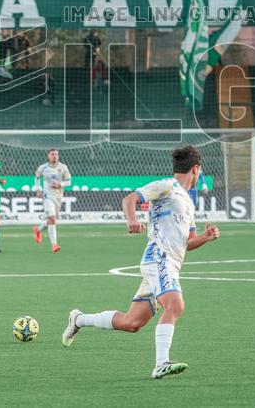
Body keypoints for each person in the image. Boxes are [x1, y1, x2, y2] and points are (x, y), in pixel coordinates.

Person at [61, 145, 221, 379]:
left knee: (132, 322)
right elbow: (130, 199)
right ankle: (161, 363)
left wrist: (205, 238)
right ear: (196, 169)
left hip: (169, 264)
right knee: (175, 305)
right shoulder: (167, 186)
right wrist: (132, 220)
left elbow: (188, 242)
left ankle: (79, 319)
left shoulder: (188, 201)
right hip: (159, 258)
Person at [33, 149, 71, 252]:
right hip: (47, 196)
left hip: (58, 197)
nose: (54, 156)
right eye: (52, 154)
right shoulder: (43, 167)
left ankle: (38, 230)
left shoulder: (63, 167)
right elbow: (37, 178)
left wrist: (60, 184)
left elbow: (69, 182)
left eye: (56, 154)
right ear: (48, 156)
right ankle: (54, 245)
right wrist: (38, 190)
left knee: (51, 220)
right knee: (52, 219)